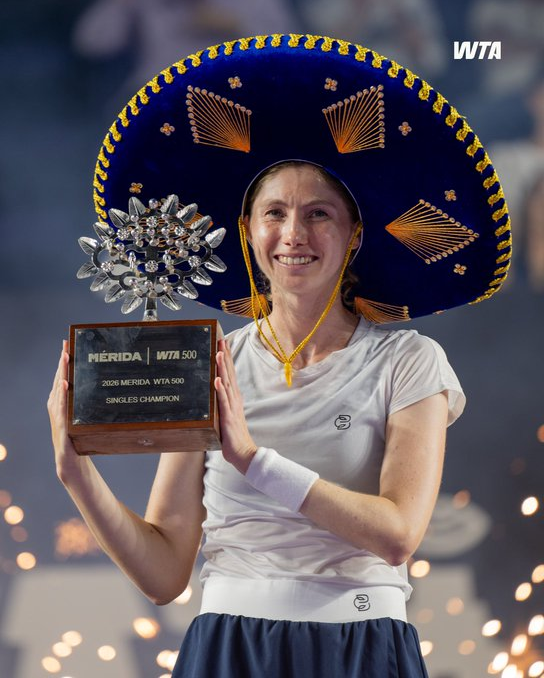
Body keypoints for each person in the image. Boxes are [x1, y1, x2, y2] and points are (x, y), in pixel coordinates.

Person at [49, 34, 510, 677]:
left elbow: (398, 534)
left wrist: (252, 460)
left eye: (318, 213)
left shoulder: (409, 361)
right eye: (274, 213)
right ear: (247, 230)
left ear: (354, 235)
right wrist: (76, 474)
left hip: (361, 649)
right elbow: (163, 574)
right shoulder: (208, 361)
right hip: (227, 651)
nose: (293, 234)